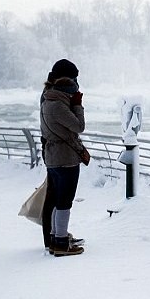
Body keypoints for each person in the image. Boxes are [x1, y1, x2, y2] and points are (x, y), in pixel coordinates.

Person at [40, 59, 87, 257]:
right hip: (65, 158)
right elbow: (79, 126)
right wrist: (78, 106)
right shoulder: (58, 105)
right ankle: (60, 242)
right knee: (64, 200)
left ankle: (55, 237)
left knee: (57, 198)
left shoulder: (46, 99)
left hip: (52, 156)